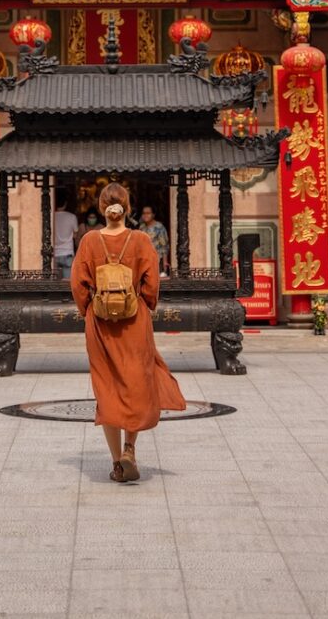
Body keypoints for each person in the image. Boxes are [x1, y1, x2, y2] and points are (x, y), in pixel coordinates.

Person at [71, 182, 186, 483]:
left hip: (100, 324)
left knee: (107, 388)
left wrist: (88, 310)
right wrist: (146, 304)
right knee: (135, 381)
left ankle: (116, 463)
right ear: (127, 207)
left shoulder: (89, 241)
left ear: (102, 208)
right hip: (135, 323)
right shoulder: (141, 240)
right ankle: (130, 449)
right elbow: (151, 285)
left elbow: (78, 284)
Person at [138, 205, 170, 277]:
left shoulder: (159, 227)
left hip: (157, 261)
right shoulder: (141, 227)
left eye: (148, 213)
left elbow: (164, 247)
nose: (145, 215)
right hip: (144, 261)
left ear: (153, 215)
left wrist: (165, 263)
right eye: (144, 213)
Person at [53, 191, 78, 278]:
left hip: (54, 254)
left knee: (55, 285)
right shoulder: (72, 217)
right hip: (67, 253)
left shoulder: (51, 217)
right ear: (65, 203)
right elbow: (75, 235)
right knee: (68, 284)